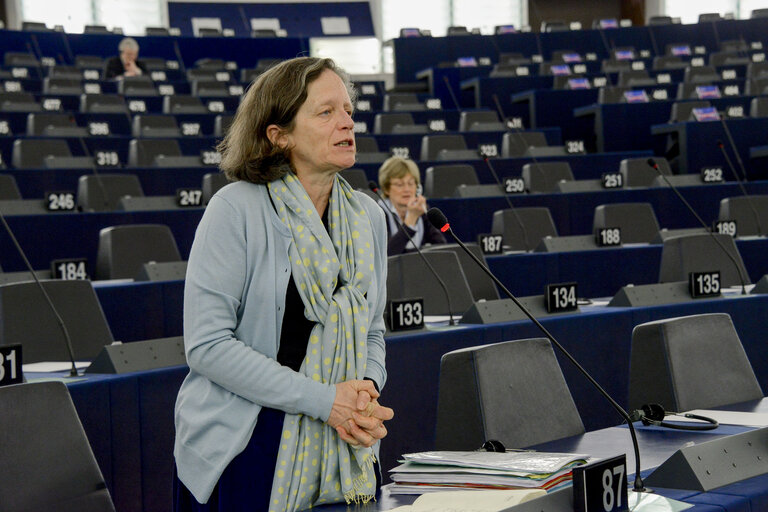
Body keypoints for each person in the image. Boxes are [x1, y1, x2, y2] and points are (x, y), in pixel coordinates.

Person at [173, 57, 394, 512]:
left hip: (345, 442)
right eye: (326, 111)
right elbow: (208, 345)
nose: (346, 122)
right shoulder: (235, 209)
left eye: (349, 111)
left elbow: (373, 329)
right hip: (247, 445)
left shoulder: (369, 217)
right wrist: (326, 401)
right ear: (279, 135)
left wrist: (364, 393)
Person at [377, 156, 446, 255]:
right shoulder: (378, 213)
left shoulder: (422, 209)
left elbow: (441, 247)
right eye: (400, 184)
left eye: (411, 183)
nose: (407, 189)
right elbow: (385, 255)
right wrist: (411, 220)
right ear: (387, 189)